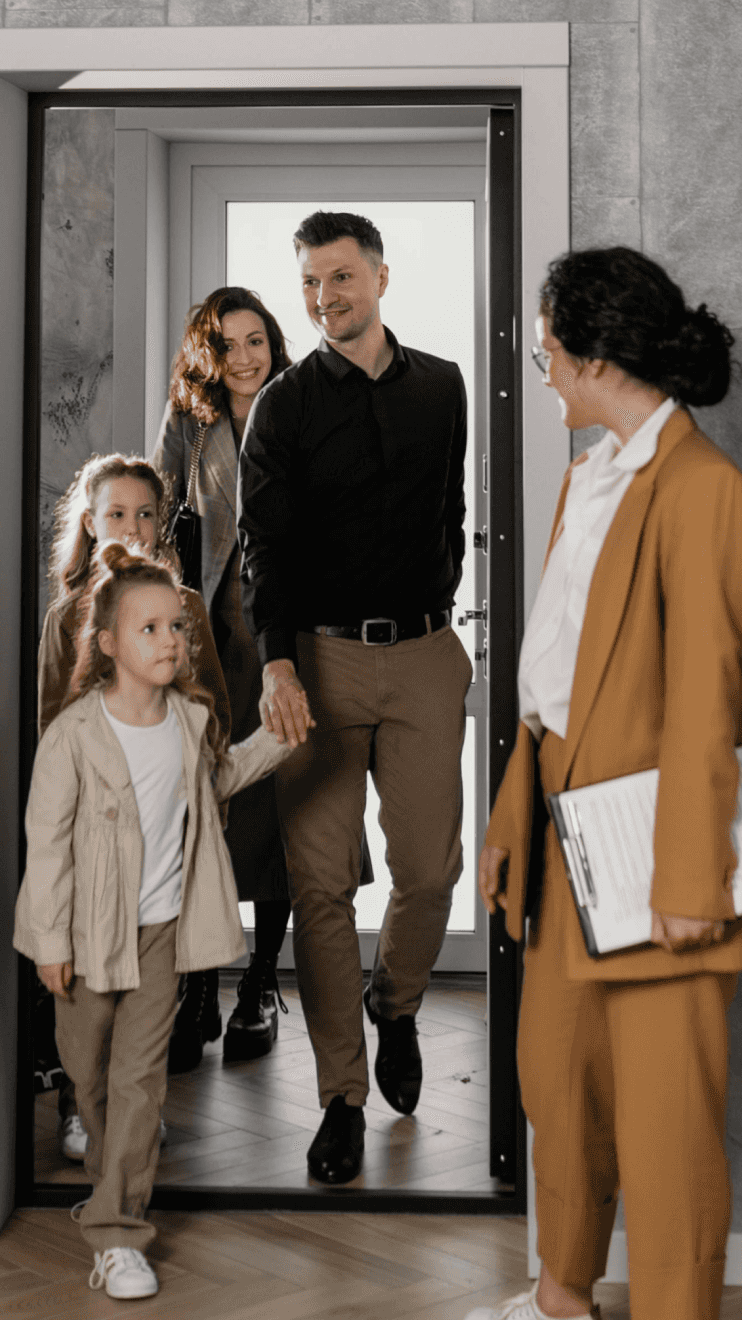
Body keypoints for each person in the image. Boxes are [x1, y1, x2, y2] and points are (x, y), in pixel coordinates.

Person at [470, 247, 742, 1320]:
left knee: (664, 1120)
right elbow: (549, 680)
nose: (537, 365)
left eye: (547, 347)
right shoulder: (587, 476)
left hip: (655, 848)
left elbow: (707, 703)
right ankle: (561, 1300)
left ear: (595, 354)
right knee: (559, 1084)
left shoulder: (707, 492)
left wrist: (691, 878)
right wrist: (510, 817)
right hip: (561, 830)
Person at [238, 211, 473, 1184]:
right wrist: (278, 666)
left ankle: (399, 1002)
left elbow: (452, 509)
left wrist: (442, 604)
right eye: (308, 282)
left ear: (378, 275)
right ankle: (341, 1094)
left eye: (339, 277)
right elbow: (265, 549)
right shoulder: (283, 408)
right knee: (323, 884)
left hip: (424, 651)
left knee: (430, 866)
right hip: (318, 666)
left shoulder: (445, 387)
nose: (323, 297)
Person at [14, 543, 293, 1302]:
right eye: (150, 628)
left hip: (161, 933)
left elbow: (220, 780)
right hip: (83, 940)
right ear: (107, 644)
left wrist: (276, 741)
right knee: (91, 1077)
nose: (171, 640)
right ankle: (111, 1181)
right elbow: (47, 845)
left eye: (177, 626)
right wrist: (49, 943)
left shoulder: (192, 722)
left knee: (140, 1085)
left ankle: (117, 1233)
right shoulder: (73, 736)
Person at [153, 286, 351, 1068]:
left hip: (284, 637)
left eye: (257, 340)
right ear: (207, 351)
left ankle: (262, 983)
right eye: (228, 343)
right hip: (206, 642)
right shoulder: (188, 425)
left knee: (278, 813)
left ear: (274, 343)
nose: (244, 357)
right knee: (205, 809)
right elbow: (159, 520)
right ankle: (199, 986)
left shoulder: (304, 406)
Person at [37, 452, 230, 1158]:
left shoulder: (189, 613)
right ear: (90, 525)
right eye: (117, 514)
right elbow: (50, 727)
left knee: (152, 995)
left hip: (169, 838)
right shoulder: (67, 621)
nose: (134, 526)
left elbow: (217, 717)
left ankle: (135, 1110)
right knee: (92, 993)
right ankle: (80, 1106)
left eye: (146, 513)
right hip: (97, 842)